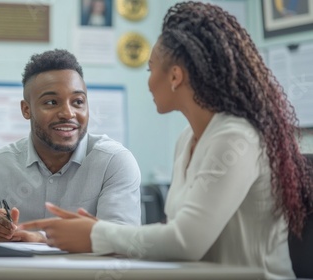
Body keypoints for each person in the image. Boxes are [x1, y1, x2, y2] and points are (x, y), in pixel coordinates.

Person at [20, 2, 313, 279]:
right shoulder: (188, 140)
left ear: (174, 76)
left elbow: (186, 241)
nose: (148, 82)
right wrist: (85, 232)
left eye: (150, 70)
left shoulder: (236, 137)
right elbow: (177, 231)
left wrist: (95, 234)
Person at [0, 49, 141, 243]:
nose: (68, 113)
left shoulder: (114, 161)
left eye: (78, 102)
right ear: (26, 110)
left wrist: (42, 238)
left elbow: (122, 239)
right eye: (51, 102)